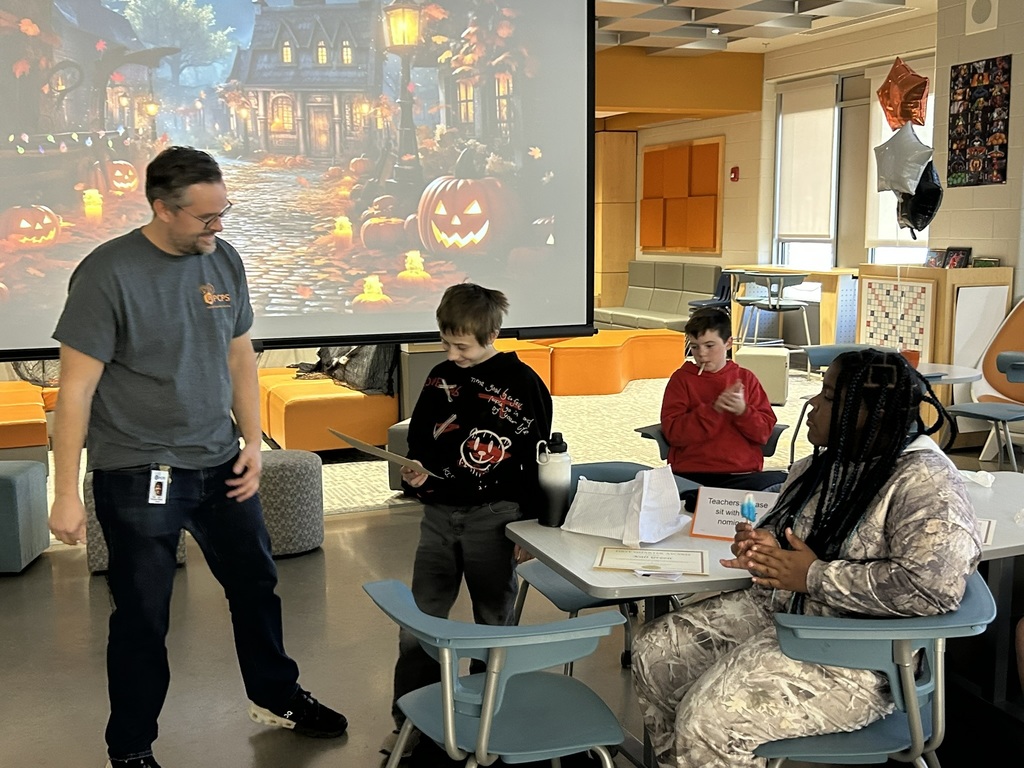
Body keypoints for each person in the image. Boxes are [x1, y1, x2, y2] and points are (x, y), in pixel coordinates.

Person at [47, 146, 347, 768]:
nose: (219, 227)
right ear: (162, 208)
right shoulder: (107, 274)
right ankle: (130, 747)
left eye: (223, 212)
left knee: (257, 587)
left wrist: (253, 445)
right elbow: (74, 390)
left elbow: (241, 356)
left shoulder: (223, 260)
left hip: (220, 466)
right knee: (143, 617)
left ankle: (276, 694)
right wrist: (67, 491)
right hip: (138, 473)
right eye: (205, 218)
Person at [632, 348, 981, 768]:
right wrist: (763, 548)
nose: (812, 404)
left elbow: (930, 591)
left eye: (830, 396)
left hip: (860, 655)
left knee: (710, 722)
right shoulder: (819, 466)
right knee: (656, 652)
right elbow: (787, 541)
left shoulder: (925, 482)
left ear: (872, 415)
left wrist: (813, 576)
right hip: (785, 617)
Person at [384, 283, 553, 757]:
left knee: (491, 624)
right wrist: (414, 471)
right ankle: (409, 722)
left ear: (491, 334)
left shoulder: (523, 384)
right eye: (446, 342)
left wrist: (531, 525)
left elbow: (537, 456)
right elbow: (419, 437)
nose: (452, 353)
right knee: (419, 620)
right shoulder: (439, 376)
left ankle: (488, 718)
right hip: (438, 517)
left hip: (494, 519)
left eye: (462, 346)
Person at [660, 308, 786, 508]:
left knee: (785, 484)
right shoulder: (681, 380)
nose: (701, 354)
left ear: (728, 343)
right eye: (694, 347)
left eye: (710, 346)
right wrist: (713, 410)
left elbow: (763, 434)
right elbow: (674, 434)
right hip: (693, 473)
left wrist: (743, 411)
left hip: (741, 475)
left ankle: (711, 501)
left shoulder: (746, 378)